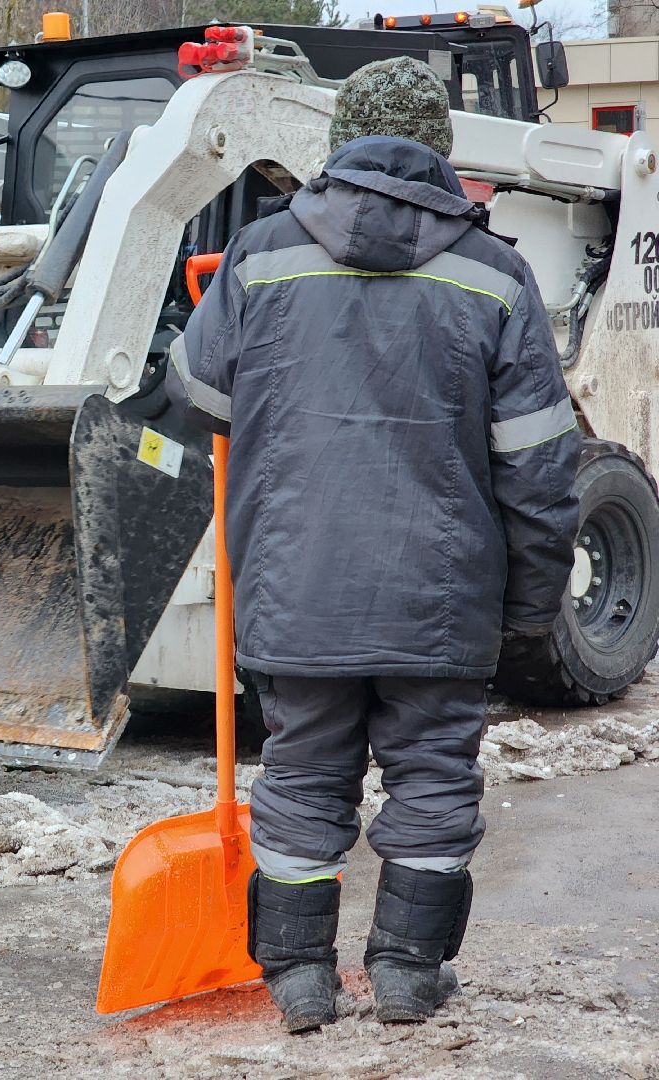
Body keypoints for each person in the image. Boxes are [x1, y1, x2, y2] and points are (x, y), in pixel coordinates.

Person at [126, 56, 579, 1032]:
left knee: (301, 774)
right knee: (432, 776)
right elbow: (543, 471)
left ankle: (297, 978)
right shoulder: (496, 275)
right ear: (443, 153)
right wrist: (531, 609)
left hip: (297, 588)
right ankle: (409, 974)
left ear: (336, 149)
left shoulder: (259, 256)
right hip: (444, 596)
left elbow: (188, 408)